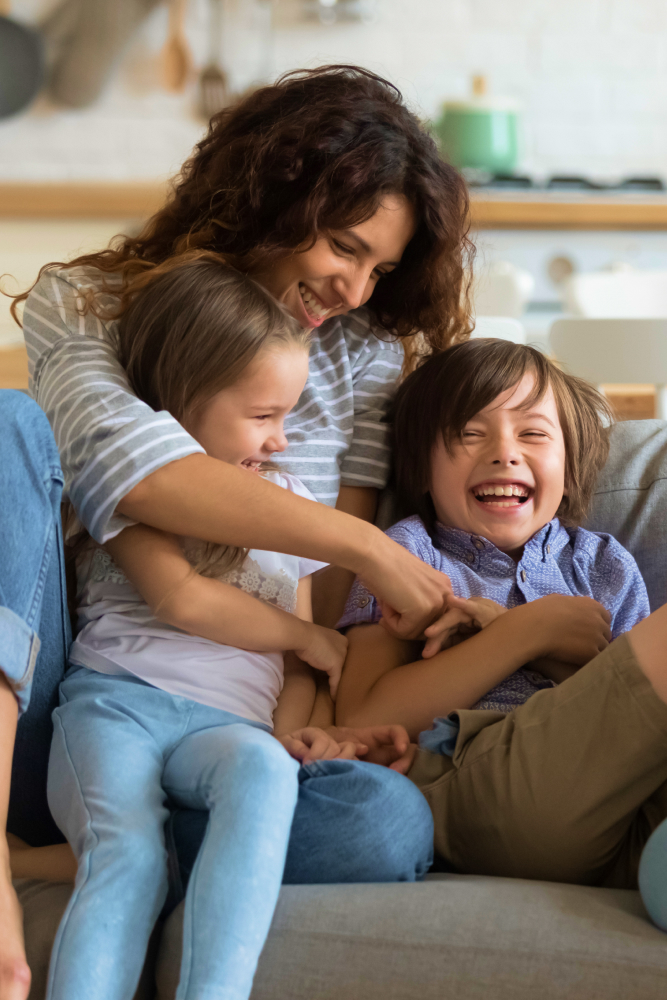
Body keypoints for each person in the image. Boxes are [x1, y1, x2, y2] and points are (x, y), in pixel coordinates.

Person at [3, 64, 470, 998]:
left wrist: (320, 727)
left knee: (381, 825)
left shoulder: (367, 356)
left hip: (239, 716)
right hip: (79, 693)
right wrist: (370, 549)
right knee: (7, 425)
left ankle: (88, 849)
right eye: (343, 244)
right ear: (266, 195)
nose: (352, 285)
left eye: (379, 267)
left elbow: (317, 611)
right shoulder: (94, 304)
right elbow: (134, 475)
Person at [47, 256, 403, 1000]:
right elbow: (180, 598)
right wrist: (306, 637)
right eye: (262, 416)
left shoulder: (294, 504)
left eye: (289, 417)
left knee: (266, 771)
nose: (279, 441)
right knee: (131, 854)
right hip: (118, 703)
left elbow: (298, 668)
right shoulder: (139, 495)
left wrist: (295, 730)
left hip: (225, 728)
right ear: (180, 405)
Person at [336, 338, 667, 891]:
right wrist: (525, 633)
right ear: (420, 466)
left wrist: (554, 652)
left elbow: (627, 718)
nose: (504, 452)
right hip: (478, 781)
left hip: (621, 806)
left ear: (569, 463)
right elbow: (360, 720)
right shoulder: (407, 554)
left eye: (533, 432)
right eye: (469, 433)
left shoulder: (604, 563)